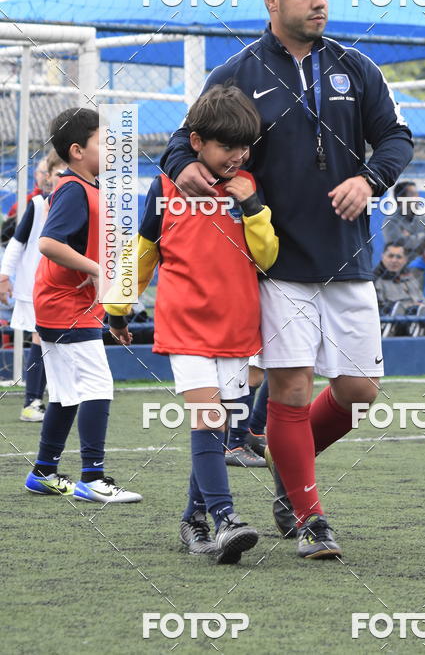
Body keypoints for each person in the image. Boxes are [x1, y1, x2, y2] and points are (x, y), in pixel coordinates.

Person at [161, 0, 413, 559]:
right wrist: (186, 166)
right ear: (272, 0)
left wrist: (371, 179)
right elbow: (179, 141)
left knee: (358, 393)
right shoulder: (239, 72)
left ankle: (285, 470)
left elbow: (397, 139)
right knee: (292, 392)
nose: (319, 0)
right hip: (274, 265)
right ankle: (310, 517)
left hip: (347, 259)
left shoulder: (356, 68)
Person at [107, 85, 279, 563]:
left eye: (245, 147)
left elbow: (266, 257)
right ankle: (226, 518)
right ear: (197, 141)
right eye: (228, 146)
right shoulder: (165, 186)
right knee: (207, 420)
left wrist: (252, 208)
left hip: (238, 327)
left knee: (224, 426)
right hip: (185, 325)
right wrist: (118, 309)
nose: (238, 156)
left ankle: (193, 521)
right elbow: (143, 251)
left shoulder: (247, 186)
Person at [24, 108, 141, 503]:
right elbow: (48, 243)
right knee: (97, 385)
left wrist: (112, 314)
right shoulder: (73, 187)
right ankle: (93, 477)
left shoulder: (88, 187)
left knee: (64, 393)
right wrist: (97, 270)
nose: (113, 146)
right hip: (64, 305)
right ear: (77, 150)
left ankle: (43, 471)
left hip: (72, 306)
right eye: (103, 141)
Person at [0, 149, 66, 421]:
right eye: (58, 173)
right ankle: (32, 401)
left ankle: (60, 395)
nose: (63, 178)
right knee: (42, 335)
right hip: (37, 287)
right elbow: (16, 243)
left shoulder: (84, 200)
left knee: (61, 340)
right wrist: (5, 277)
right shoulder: (37, 206)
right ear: (47, 177)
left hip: (69, 288)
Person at [374, 241, 425, 335]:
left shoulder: (409, 277)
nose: (394, 260)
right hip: (393, 322)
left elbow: (422, 300)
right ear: (382, 256)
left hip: (418, 317)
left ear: (405, 260)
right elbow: (382, 308)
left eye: (399, 257)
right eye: (390, 256)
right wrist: (410, 306)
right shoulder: (375, 279)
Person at [381, 180, 425, 259]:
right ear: (400, 199)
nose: (418, 198)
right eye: (413, 194)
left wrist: (408, 239)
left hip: (423, 266)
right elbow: (396, 245)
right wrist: (424, 238)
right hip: (400, 268)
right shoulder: (390, 222)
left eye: (417, 194)